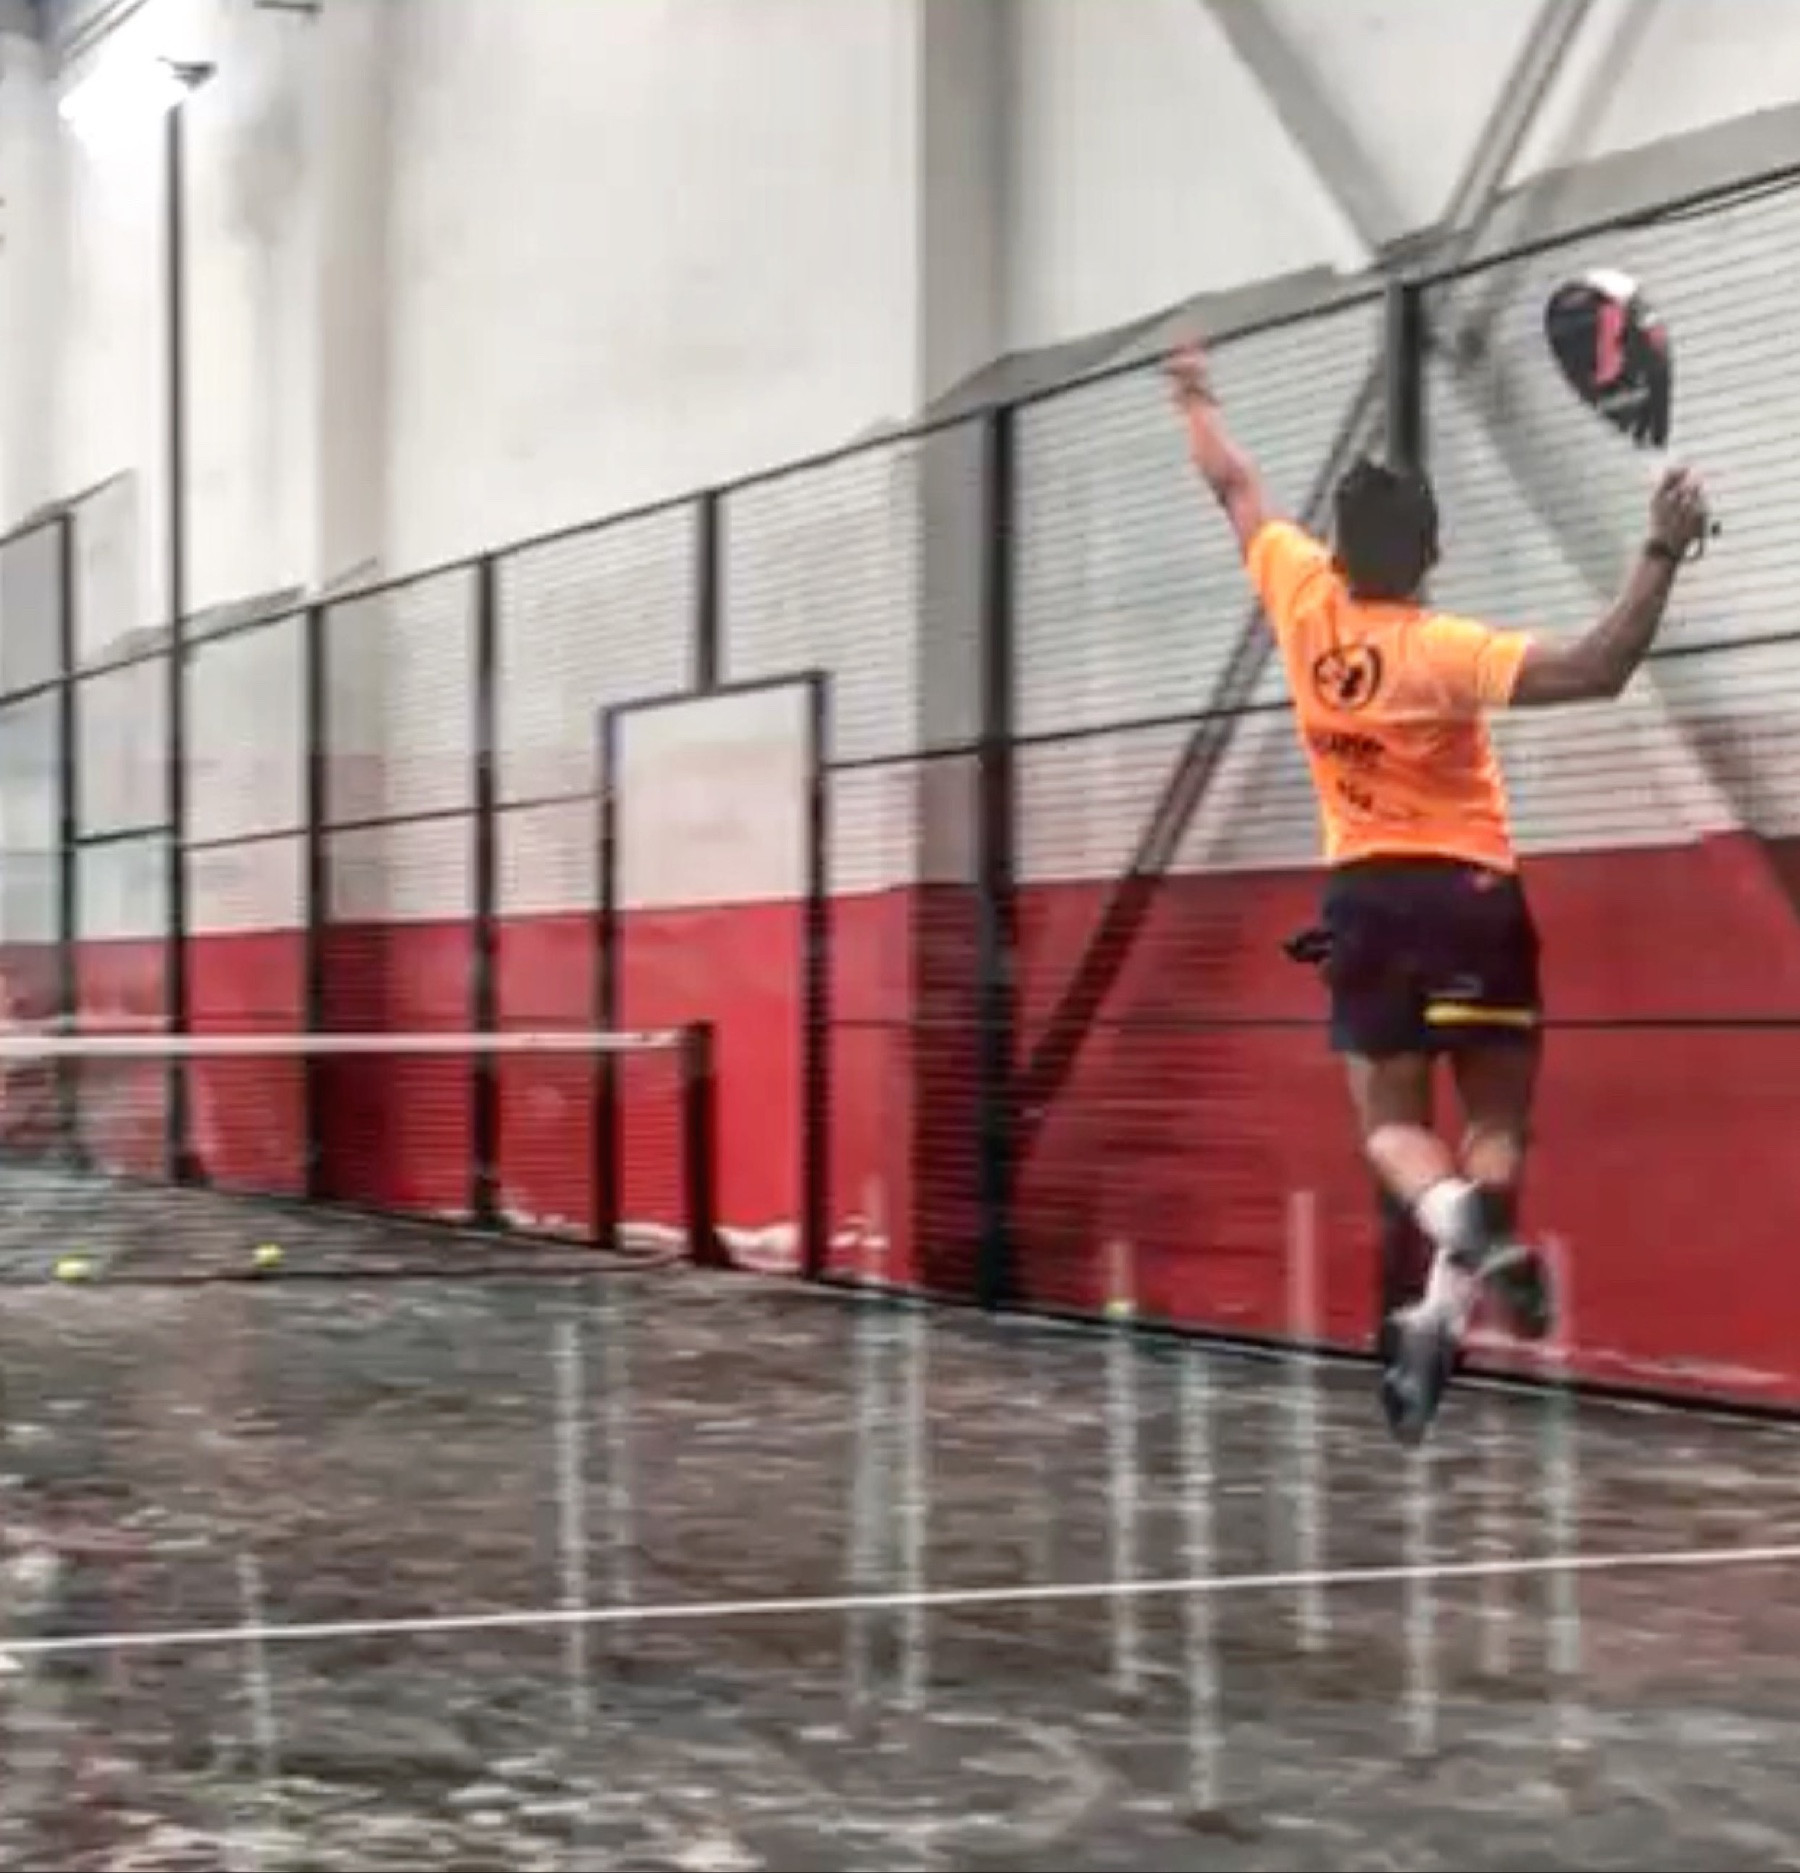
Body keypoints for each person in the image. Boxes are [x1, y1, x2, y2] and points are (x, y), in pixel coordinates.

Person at [1165, 339, 1711, 1443]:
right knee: (1496, 1120)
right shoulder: (1445, 649)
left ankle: (1458, 1238)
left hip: (1369, 901)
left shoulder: (1299, 593)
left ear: (1337, 548)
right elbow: (1600, 666)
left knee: (1393, 1132)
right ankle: (1440, 1312)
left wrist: (1195, 398)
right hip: (1475, 894)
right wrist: (1661, 546)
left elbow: (1232, 483)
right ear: (1434, 556)